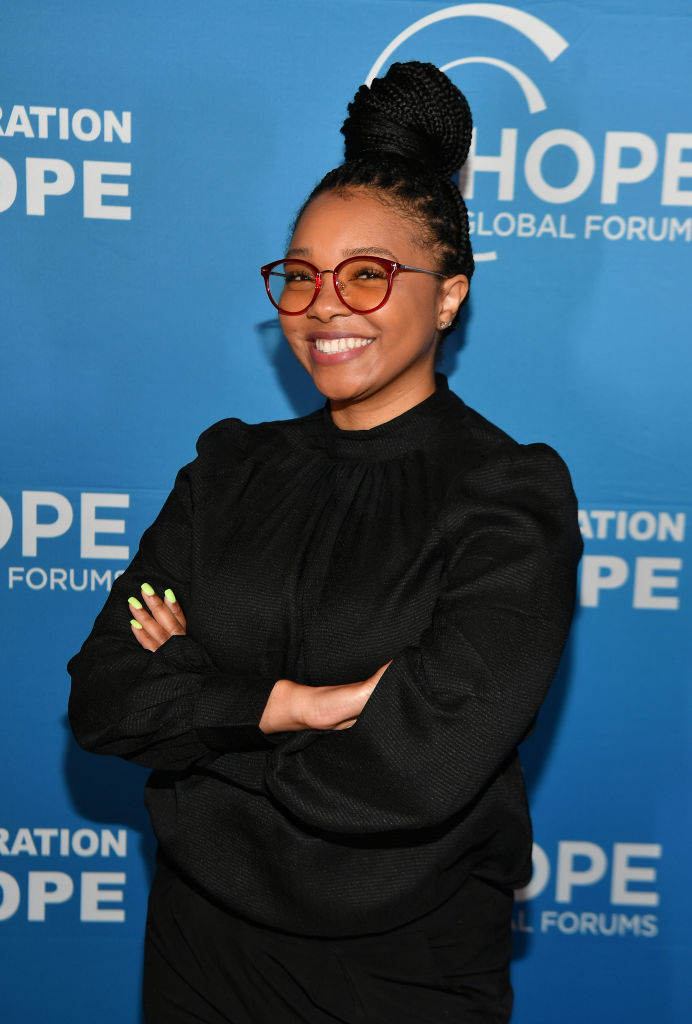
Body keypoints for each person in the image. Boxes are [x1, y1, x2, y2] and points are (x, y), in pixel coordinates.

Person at [68, 61, 582, 1024]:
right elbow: (102, 695)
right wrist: (285, 707)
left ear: (449, 296)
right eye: (300, 277)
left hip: (405, 975)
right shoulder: (227, 469)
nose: (322, 306)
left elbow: (412, 772)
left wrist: (196, 705)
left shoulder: (509, 496)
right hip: (199, 958)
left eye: (368, 275)